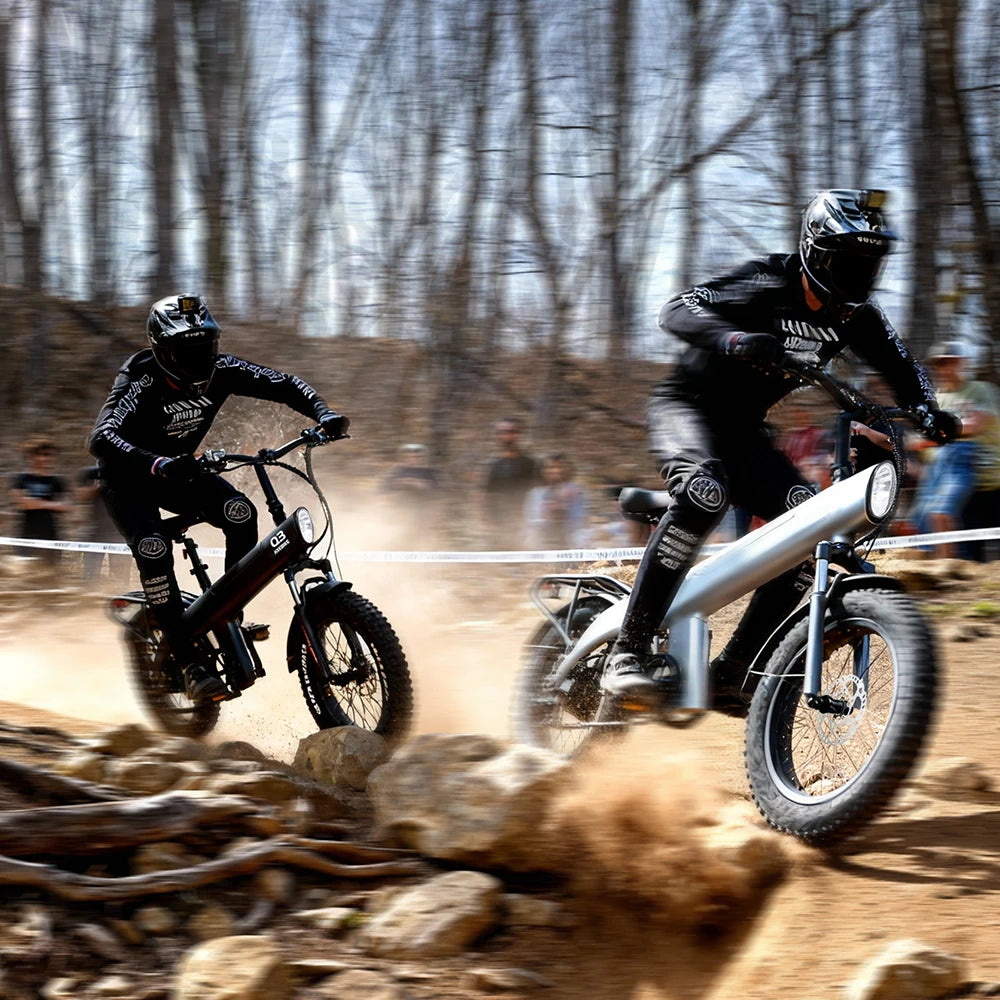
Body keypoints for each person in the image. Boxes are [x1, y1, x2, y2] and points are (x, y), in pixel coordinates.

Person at [600, 189, 960, 716]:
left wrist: (928, 410)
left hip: (745, 433)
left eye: (869, 266)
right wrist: (733, 339)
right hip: (687, 409)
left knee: (810, 526)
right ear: (814, 253)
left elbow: (905, 370)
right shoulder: (770, 280)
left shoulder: (859, 318)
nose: (859, 277)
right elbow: (676, 309)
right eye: (848, 263)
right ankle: (627, 652)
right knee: (705, 494)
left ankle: (733, 673)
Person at [88, 293, 349, 702]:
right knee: (154, 549)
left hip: (179, 471)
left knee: (240, 512)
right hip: (129, 480)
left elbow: (283, 384)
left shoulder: (223, 369)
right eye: (188, 351)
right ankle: (186, 659)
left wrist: (323, 412)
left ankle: (227, 612)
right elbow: (101, 438)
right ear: (163, 351)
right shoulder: (140, 376)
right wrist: (158, 463)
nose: (201, 359)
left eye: (206, 347)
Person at [906, 340, 1000, 557]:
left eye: (949, 362)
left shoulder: (980, 390)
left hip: (992, 481)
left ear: (961, 363)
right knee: (968, 553)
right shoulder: (935, 400)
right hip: (962, 488)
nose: (943, 368)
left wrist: (931, 437)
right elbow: (922, 444)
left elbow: (976, 425)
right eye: (938, 364)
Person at [10, 438, 71, 569]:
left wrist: (36, 502)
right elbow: (22, 503)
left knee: (51, 572)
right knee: (23, 572)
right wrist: (52, 504)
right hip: (26, 535)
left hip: (50, 535)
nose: (44, 458)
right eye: (40, 454)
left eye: (48, 455)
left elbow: (66, 506)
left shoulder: (57, 481)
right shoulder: (22, 479)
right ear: (32, 456)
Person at [482, 417, 542, 547]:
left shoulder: (530, 464)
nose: (508, 436)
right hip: (499, 524)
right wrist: (488, 522)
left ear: (520, 434)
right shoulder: (493, 465)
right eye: (503, 432)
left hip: (524, 523)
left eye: (512, 431)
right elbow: (487, 495)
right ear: (498, 435)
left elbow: (538, 494)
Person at [77, 464, 129, 587]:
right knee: (89, 577)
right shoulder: (91, 472)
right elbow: (80, 496)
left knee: (120, 579)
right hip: (95, 533)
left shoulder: (126, 472)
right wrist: (100, 486)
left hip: (120, 533)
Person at [523, 453, 589, 549]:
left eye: (560, 467)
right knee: (531, 537)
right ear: (543, 471)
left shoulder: (577, 491)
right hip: (544, 535)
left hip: (570, 535)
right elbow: (532, 521)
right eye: (551, 467)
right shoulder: (535, 494)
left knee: (582, 536)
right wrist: (549, 518)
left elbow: (580, 519)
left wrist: (563, 516)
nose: (556, 471)